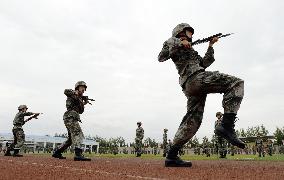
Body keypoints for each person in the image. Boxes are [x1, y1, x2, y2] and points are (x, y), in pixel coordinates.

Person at [158, 23, 245, 167]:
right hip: (195, 79)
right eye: (188, 33)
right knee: (236, 83)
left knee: (192, 121)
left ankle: (172, 156)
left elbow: (204, 63)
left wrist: (210, 46)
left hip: (193, 84)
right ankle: (226, 125)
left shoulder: (191, 50)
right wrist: (180, 42)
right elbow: (161, 57)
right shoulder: (172, 41)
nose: (191, 35)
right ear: (180, 33)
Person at [52, 81, 91, 161]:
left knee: (70, 140)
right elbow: (65, 91)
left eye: (84, 88)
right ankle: (78, 154)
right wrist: (76, 93)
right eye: (82, 87)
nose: (83, 89)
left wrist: (83, 103)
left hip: (71, 117)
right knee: (78, 133)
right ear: (77, 87)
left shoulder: (78, 98)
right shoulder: (72, 94)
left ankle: (57, 152)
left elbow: (80, 111)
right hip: (70, 117)